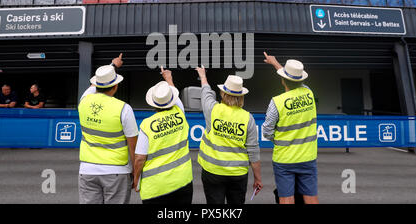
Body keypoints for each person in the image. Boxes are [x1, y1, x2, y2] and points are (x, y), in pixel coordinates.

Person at [195, 67, 263, 204]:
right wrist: (258, 178)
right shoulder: (248, 118)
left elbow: (206, 93)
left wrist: (203, 76)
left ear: (223, 93)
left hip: (212, 171)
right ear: (241, 96)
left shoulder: (212, 109)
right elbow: (253, 151)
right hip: (237, 175)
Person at [78, 53, 138, 204]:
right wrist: (136, 174)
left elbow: (94, 84)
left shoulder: (84, 100)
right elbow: (133, 147)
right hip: (116, 171)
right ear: (116, 86)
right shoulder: (124, 109)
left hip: (87, 170)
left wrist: (112, 65)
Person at [262, 52, 319, 204]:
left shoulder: (277, 102)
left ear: (282, 80)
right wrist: (276, 64)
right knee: (311, 197)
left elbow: (267, 132)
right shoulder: (308, 93)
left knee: (286, 198)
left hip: (284, 159)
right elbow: (294, 78)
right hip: (308, 156)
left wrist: (280, 139)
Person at [133, 67, 193, 204]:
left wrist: (136, 178)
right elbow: (175, 97)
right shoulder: (180, 112)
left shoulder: (146, 125)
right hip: (182, 181)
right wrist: (169, 79)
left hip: (156, 187)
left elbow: (140, 158)